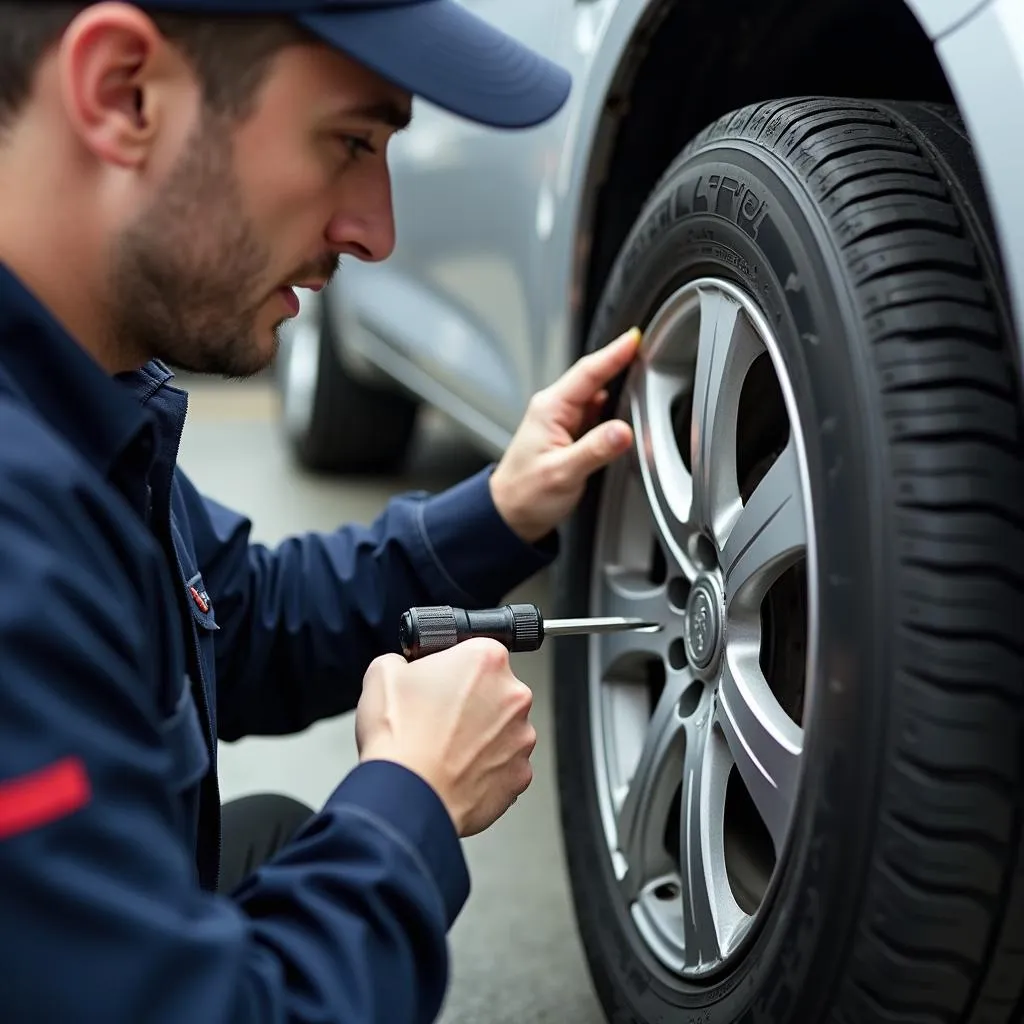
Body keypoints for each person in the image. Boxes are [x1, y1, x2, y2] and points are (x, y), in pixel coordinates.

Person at [0, 1, 642, 1021]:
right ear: (124, 92)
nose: (376, 234)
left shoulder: (76, 403)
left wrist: (502, 511)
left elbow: (236, 614)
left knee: (276, 841)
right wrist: (409, 806)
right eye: (349, 140)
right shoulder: (17, 541)